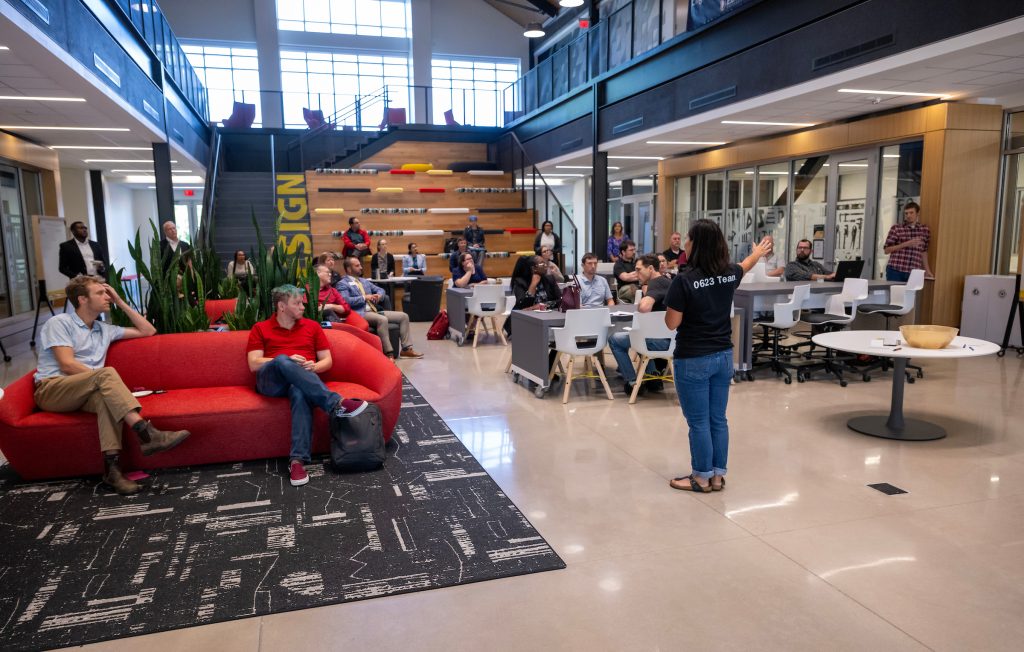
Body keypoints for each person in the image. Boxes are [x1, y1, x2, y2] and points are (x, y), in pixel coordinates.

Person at [33, 276, 191, 495]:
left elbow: (148, 331)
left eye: (107, 293)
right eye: (100, 293)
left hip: (87, 391)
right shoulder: (59, 323)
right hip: (52, 390)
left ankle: (113, 471)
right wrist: (102, 379)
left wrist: (121, 301)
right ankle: (146, 434)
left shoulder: (103, 329)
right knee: (106, 375)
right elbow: (67, 365)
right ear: (82, 299)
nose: (106, 296)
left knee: (106, 401)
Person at [664, 220, 772, 493]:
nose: (685, 242)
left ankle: (701, 477)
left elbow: (671, 323)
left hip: (693, 358)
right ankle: (717, 476)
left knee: (698, 422)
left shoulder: (684, 280)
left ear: (696, 245)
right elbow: (745, 265)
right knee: (717, 419)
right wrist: (758, 253)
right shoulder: (728, 273)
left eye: (688, 238)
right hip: (724, 356)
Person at [247, 284, 369, 487]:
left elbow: (327, 361)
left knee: (299, 391)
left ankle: (297, 462)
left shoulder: (312, 327)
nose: (303, 307)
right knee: (283, 360)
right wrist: (283, 360)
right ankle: (336, 403)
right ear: (282, 306)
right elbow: (253, 364)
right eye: (297, 303)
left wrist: (314, 367)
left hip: (303, 381)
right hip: (271, 383)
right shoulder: (260, 328)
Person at [609, 254, 672, 397]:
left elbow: (644, 308)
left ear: (650, 268)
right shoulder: (668, 281)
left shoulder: (656, 283)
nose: (636, 274)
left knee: (615, 339)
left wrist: (641, 303)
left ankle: (632, 383)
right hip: (672, 340)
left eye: (638, 270)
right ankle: (652, 376)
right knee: (638, 334)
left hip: (659, 342)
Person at [337, 256, 424, 359]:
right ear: (349, 269)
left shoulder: (363, 281)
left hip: (374, 310)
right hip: (360, 313)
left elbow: (381, 290)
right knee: (382, 319)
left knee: (403, 316)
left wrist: (379, 296)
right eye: (357, 265)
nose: (361, 267)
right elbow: (345, 301)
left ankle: (406, 350)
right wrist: (364, 298)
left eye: (360, 265)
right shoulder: (342, 284)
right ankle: (389, 353)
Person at [503, 255, 560, 338]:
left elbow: (560, 300)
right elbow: (522, 305)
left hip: (547, 317)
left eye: (545, 263)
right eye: (542, 264)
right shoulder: (520, 282)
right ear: (534, 268)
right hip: (526, 319)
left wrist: (541, 306)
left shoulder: (549, 279)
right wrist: (533, 285)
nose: (546, 266)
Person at [883, 201, 934, 281]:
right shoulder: (896, 228)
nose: (908, 216)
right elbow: (886, 250)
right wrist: (906, 244)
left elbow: (924, 252)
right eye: (906, 213)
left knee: (910, 294)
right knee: (895, 293)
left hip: (914, 273)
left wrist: (927, 270)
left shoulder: (924, 230)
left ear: (917, 213)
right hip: (895, 270)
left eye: (911, 213)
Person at [313, 264, 369, 331]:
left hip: (334, 321)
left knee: (328, 311)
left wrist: (330, 306)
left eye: (330, 273)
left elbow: (346, 308)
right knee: (327, 312)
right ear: (317, 273)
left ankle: (343, 332)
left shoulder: (332, 290)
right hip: (317, 323)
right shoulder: (307, 290)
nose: (330, 275)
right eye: (327, 272)